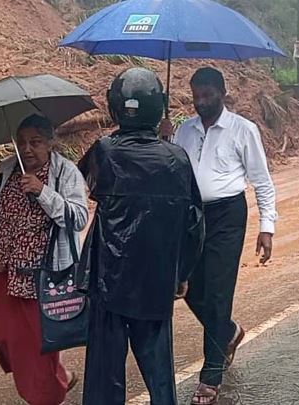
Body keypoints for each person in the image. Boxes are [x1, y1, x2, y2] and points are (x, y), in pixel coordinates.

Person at [78, 67, 205, 405]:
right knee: (160, 375)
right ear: (159, 108)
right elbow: (194, 224)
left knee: (105, 379)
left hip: (109, 281)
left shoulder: (103, 151)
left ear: (113, 107)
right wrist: (182, 274)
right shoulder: (177, 158)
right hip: (156, 280)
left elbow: (85, 180)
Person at [161, 67, 278, 405]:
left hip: (228, 215)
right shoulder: (184, 130)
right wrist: (165, 141)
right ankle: (227, 331)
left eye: (207, 94)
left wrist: (266, 227)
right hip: (192, 216)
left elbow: (262, 180)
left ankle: (210, 377)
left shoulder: (243, 130)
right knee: (187, 287)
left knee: (217, 292)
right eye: (196, 95)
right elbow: (172, 171)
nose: (201, 101)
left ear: (222, 93)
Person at [0, 114, 89, 405]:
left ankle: (48, 394)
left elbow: (78, 218)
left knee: (37, 351)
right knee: (3, 341)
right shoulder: (5, 173)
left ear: (51, 143)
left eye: (35, 142)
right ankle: (59, 375)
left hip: (44, 279)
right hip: (7, 274)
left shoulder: (65, 173)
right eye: (22, 143)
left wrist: (43, 192)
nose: (27, 149)